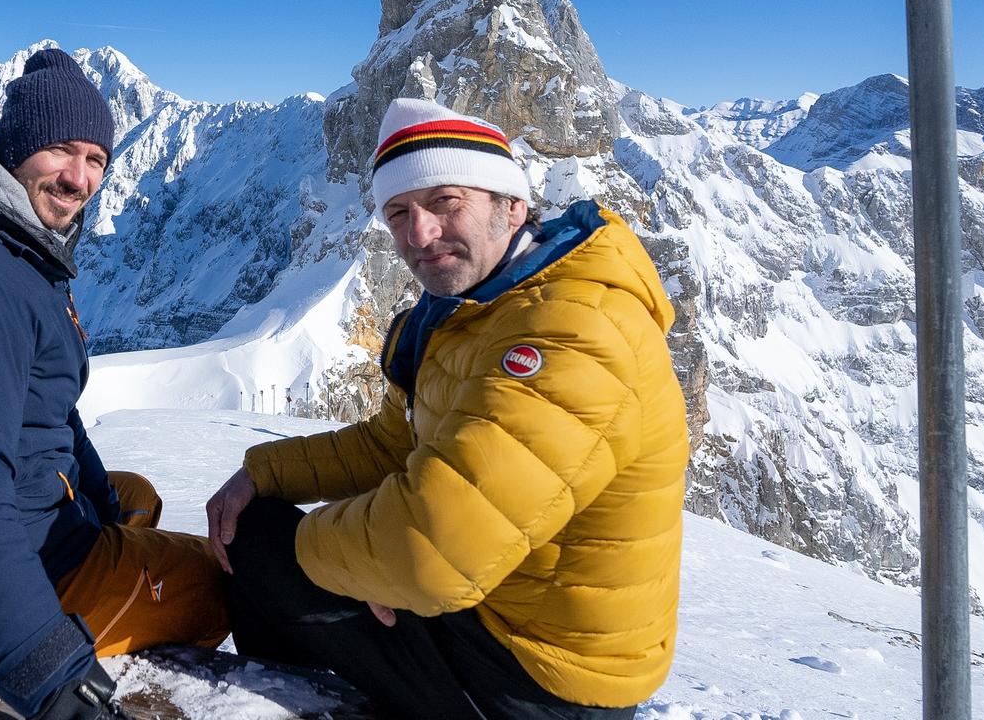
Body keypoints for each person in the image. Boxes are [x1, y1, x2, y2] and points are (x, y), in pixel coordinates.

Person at [205, 97, 689, 719]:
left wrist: (352, 561)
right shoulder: (483, 306)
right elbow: (393, 445)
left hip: (539, 681)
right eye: (399, 212)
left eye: (445, 202)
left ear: (511, 205)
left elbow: (429, 552)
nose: (419, 234)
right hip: (501, 619)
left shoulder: (571, 330)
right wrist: (262, 473)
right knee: (264, 524)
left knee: (264, 549)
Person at [0, 48, 228, 720]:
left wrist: (96, 503)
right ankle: (119, 647)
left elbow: (47, 413)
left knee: (133, 497)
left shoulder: (6, 240)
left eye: (96, 159)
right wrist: (53, 678)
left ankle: (106, 565)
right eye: (61, 150)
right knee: (215, 583)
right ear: (16, 149)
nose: (79, 177)